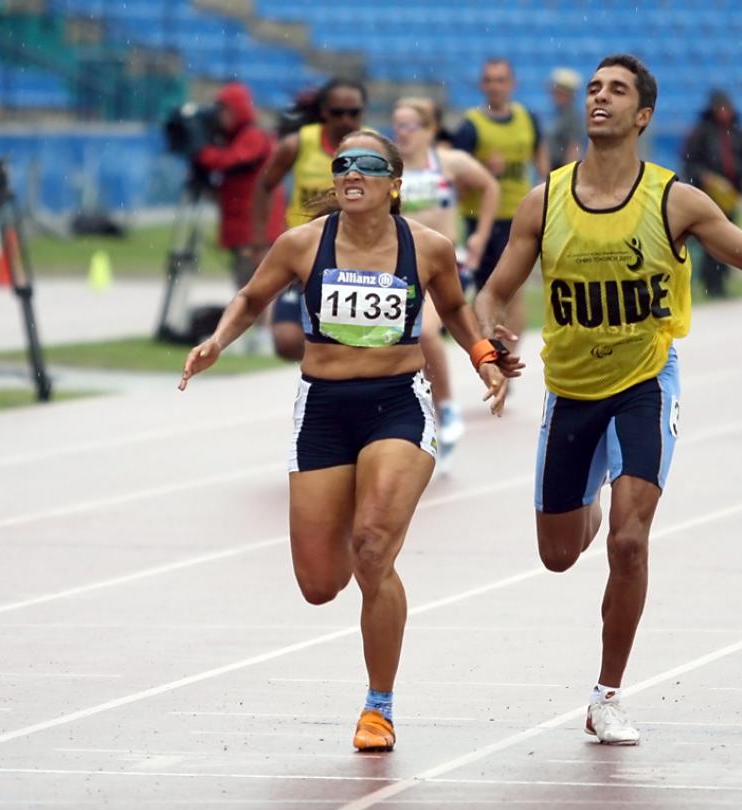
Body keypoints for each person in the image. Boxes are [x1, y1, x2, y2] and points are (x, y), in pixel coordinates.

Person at [474, 53, 742, 746]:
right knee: (557, 554)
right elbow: (494, 287)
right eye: (595, 89)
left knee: (630, 543)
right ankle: (589, 494)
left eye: (618, 91)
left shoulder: (674, 201)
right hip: (572, 388)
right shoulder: (543, 201)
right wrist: (491, 335)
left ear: (643, 116)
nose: (600, 98)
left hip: (644, 379)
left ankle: (607, 694)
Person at [180, 129, 521, 752]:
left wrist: (485, 360)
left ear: (395, 184)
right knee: (319, 584)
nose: (351, 172)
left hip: (396, 405)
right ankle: (351, 519)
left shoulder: (429, 247)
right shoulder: (302, 244)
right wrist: (216, 343)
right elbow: (251, 297)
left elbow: (456, 311)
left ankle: (378, 706)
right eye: (343, 164)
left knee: (372, 548)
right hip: (323, 411)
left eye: (367, 164)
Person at [393, 97, 499, 466]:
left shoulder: (449, 161)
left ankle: (447, 407)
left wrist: (479, 239)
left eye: (409, 126)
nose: (401, 134)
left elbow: (489, 187)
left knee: (424, 333)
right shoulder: (392, 168)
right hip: (402, 266)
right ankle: (410, 411)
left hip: (445, 266)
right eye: (397, 126)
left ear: (429, 129)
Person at [252, 77, 367, 361]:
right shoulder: (298, 144)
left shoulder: (373, 146)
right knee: (287, 341)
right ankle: (325, 365)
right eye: (338, 112)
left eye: (354, 113)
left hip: (357, 254)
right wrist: (259, 243)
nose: (346, 120)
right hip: (305, 252)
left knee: (355, 341)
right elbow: (264, 185)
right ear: (324, 112)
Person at [453, 57, 548, 350]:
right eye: (489, 80)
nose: (495, 86)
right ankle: (486, 351)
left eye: (500, 80)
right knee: (485, 294)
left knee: (515, 292)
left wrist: (545, 189)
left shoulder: (527, 119)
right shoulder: (471, 127)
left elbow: (540, 156)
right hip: (481, 219)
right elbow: (455, 176)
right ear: (482, 85)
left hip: (519, 218)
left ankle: (507, 358)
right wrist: (483, 170)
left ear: (512, 84)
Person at [194, 82, 286, 349]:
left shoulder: (252, 136)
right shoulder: (240, 137)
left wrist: (202, 152)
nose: (219, 118)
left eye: (224, 110)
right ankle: (258, 335)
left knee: (257, 283)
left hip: (255, 226)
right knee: (246, 281)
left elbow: (230, 161)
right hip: (243, 224)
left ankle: (265, 335)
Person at [681, 89, 742, 297]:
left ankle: (721, 281)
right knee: (710, 242)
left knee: (730, 241)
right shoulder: (701, 133)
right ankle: (710, 284)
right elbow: (690, 163)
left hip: (730, 198)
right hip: (706, 198)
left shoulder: (739, 133)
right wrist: (705, 179)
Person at [546, 67, 584, 171]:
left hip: (561, 168)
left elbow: (574, 147)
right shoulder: (559, 113)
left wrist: (567, 174)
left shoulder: (572, 116)